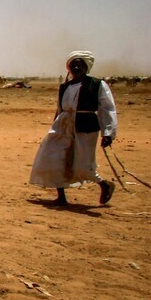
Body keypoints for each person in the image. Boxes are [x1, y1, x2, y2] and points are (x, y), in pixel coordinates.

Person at [30, 51, 117, 205]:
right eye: (73, 64)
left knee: (81, 165)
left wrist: (108, 133)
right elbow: (60, 108)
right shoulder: (65, 86)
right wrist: (55, 126)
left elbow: (107, 108)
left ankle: (104, 185)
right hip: (62, 126)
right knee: (55, 158)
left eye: (80, 64)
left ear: (86, 67)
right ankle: (61, 197)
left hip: (85, 125)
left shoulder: (97, 85)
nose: (76, 67)